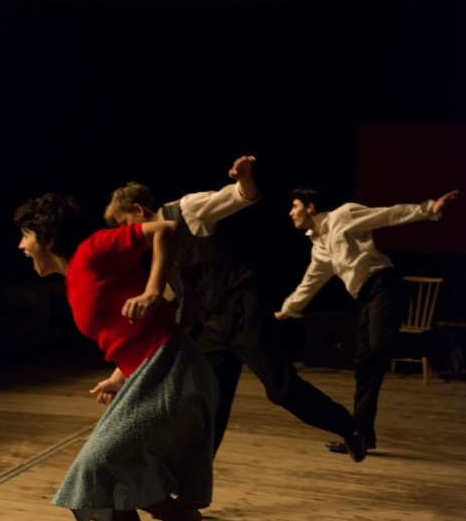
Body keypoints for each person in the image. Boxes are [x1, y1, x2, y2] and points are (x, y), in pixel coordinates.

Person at [14, 192, 219, 521]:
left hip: (173, 370)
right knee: (108, 486)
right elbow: (129, 335)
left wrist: (153, 289)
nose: (21, 245)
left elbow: (166, 229)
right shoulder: (73, 281)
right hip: (144, 372)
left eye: (26, 235)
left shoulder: (92, 250)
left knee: (96, 466)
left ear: (47, 237)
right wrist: (116, 376)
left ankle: (178, 518)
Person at [103, 155, 366, 462]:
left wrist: (243, 177)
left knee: (282, 389)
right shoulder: (162, 250)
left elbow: (241, 196)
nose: (128, 235)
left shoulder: (186, 209)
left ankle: (348, 426)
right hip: (211, 326)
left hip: (243, 312)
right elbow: (162, 301)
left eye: (126, 224)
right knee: (206, 402)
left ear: (139, 210)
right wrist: (119, 374)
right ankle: (193, 483)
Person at [275, 186, 460, 454]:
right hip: (366, 298)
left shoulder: (342, 216)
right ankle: (361, 436)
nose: (291, 213)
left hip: (385, 286)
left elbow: (387, 215)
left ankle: (444, 342)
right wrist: (287, 310)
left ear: (310, 207)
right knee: (366, 366)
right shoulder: (319, 248)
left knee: (381, 345)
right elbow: (310, 282)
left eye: (295, 206)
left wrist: (427, 209)